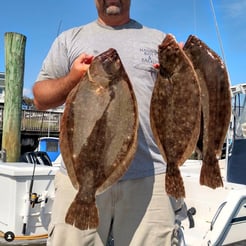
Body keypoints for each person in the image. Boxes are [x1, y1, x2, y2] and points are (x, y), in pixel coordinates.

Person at [33, 0, 176, 245]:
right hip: (78, 179)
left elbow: (179, 106)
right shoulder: (70, 39)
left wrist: (178, 74)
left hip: (149, 176)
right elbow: (40, 98)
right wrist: (73, 78)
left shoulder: (159, 40)